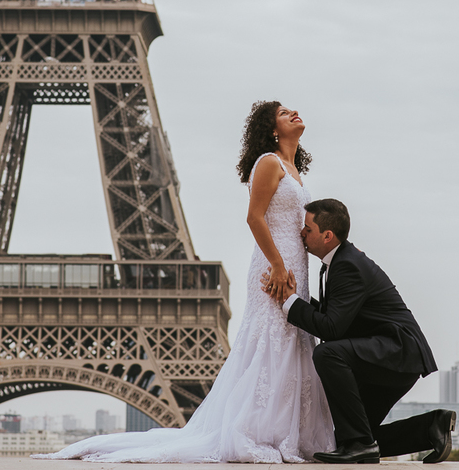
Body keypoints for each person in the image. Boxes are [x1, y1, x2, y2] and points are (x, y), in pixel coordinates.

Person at [34, 100, 334, 462]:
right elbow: (254, 218)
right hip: (277, 267)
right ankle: (262, 430)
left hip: (292, 267)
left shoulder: (293, 169)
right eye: (284, 113)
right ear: (272, 130)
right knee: (271, 344)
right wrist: (277, 265)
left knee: (290, 344)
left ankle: (286, 431)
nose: (294, 113)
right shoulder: (269, 163)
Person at [267, 198, 454, 464]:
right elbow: (338, 316)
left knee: (327, 354)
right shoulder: (341, 261)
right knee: (354, 438)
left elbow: (332, 328)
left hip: (397, 351)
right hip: (392, 354)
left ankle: (361, 444)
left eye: (308, 229)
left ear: (327, 235)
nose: (302, 233)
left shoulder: (347, 265)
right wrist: (299, 300)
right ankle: (431, 428)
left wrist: (290, 303)